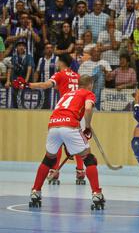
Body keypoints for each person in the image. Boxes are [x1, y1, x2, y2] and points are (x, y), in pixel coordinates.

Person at [28, 75, 105, 210]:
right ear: (90, 85)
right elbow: (88, 109)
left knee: (48, 160)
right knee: (89, 159)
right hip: (70, 125)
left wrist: (69, 146)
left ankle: (35, 192)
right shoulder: (88, 93)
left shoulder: (67, 94)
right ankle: (97, 194)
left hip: (53, 125)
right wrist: (87, 127)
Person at [15, 54, 87, 185]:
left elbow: (45, 85)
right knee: (79, 143)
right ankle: (80, 172)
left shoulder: (60, 74)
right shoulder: (78, 76)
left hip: (64, 112)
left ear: (61, 62)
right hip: (79, 111)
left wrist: (27, 85)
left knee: (58, 142)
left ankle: (54, 171)